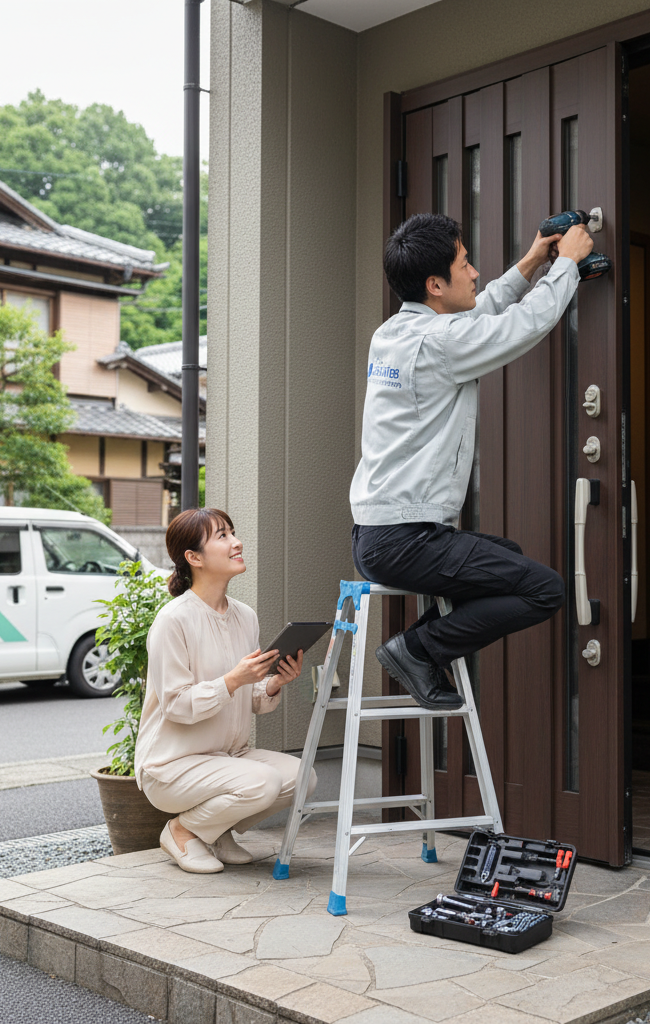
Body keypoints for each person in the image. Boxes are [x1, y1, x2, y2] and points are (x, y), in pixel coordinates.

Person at [350, 212, 593, 710]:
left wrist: (532, 263)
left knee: (505, 553)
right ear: (435, 284)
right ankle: (417, 650)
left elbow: (476, 314)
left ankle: (417, 648)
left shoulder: (394, 333)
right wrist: (566, 265)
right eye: (466, 263)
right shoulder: (439, 343)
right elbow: (521, 327)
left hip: (379, 535)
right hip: (407, 538)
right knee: (544, 589)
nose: (476, 272)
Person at [134, 507, 317, 874]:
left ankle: (214, 831)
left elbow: (250, 699)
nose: (237, 542)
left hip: (227, 757)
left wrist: (274, 682)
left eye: (232, 533)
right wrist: (233, 679)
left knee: (303, 776)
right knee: (263, 783)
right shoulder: (173, 621)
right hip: (171, 765)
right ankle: (183, 832)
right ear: (194, 558)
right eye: (223, 536)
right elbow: (177, 707)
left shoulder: (245, 615)